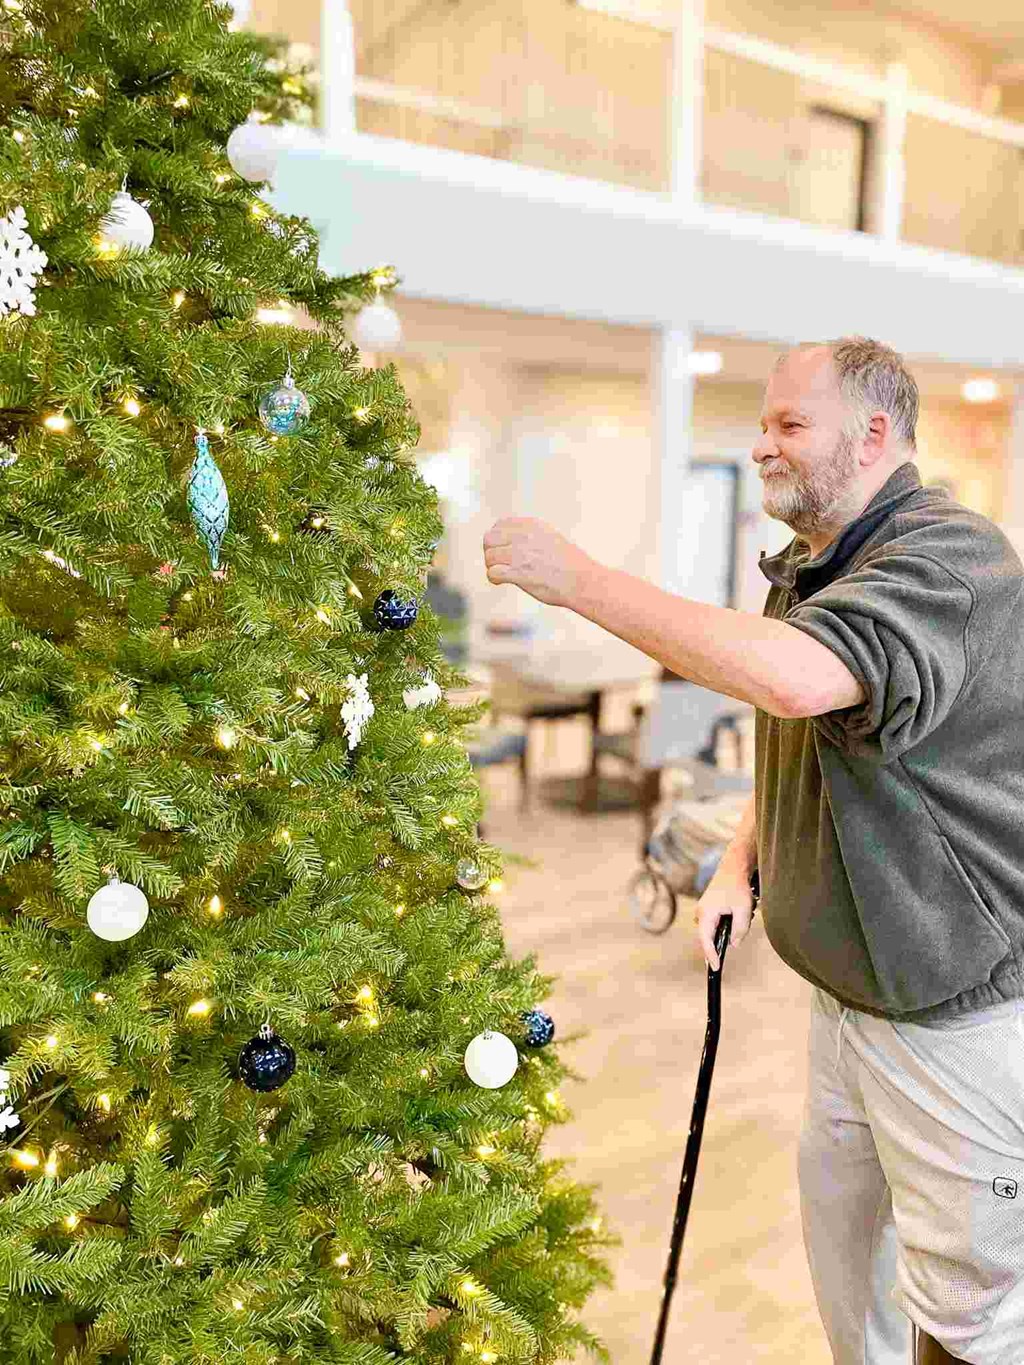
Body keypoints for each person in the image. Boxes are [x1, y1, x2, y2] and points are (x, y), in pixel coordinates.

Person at [482, 336, 1024, 1365]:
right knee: (850, 1276)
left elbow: (793, 682)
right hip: (843, 994)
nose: (763, 445)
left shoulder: (951, 559)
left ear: (871, 435)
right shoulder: (821, 562)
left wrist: (583, 580)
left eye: (787, 424)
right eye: (764, 423)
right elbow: (810, 737)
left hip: (952, 1009)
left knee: (967, 1318)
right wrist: (745, 856)